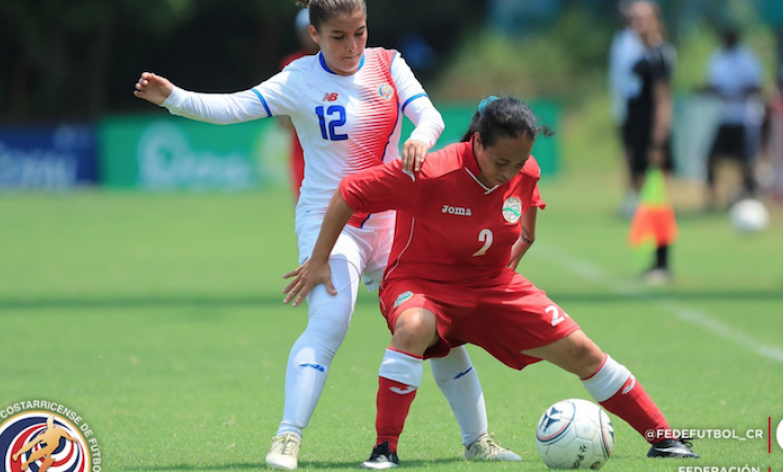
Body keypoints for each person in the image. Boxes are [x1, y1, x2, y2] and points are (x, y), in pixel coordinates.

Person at [132, 1, 520, 470]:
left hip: (395, 224)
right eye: (339, 36)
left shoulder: (388, 64)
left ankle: (478, 441)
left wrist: (420, 137)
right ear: (314, 34)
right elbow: (233, 107)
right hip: (330, 224)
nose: (352, 46)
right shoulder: (298, 79)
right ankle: (288, 437)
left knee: (438, 329)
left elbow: (430, 116)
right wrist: (173, 97)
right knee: (329, 323)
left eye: (360, 32)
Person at [282, 96, 700, 468]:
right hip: (421, 284)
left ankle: (665, 440)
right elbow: (349, 192)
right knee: (413, 327)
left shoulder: (526, 170)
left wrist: (513, 259)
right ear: (478, 142)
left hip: (493, 286)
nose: (510, 172)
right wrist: (319, 260)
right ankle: (384, 450)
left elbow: (528, 224)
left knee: (582, 351)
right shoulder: (430, 171)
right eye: (501, 163)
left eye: (519, 163)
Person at [622, 0, 676, 282]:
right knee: (647, 197)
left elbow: (663, 100)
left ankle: (663, 264)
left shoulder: (658, 54)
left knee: (658, 199)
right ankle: (655, 261)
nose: (636, 23)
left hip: (652, 139)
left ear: (655, 20)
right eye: (633, 18)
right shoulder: (641, 54)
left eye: (642, 18)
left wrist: (657, 142)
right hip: (639, 136)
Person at [702, 27, 763, 209]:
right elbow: (714, 85)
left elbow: (756, 86)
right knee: (711, 158)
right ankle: (711, 197)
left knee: (746, 160)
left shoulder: (746, 58)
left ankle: (751, 194)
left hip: (743, 118)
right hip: (724, 117)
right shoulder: (717, 58)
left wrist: (734, 94)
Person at [279, 8, 320, 202]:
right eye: (305, 30)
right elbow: (284, 119)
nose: (309, 35)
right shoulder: (291, 64)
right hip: (302, 148)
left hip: (333, 144)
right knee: (304, 203)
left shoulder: (337, 61)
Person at [608, 0, 645, 217]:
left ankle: (640, 197)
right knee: (629, 154)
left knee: (639, 155)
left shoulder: (638, 42)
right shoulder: (621, 39)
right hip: (623, 108)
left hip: (637, 109)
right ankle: (632, 196)